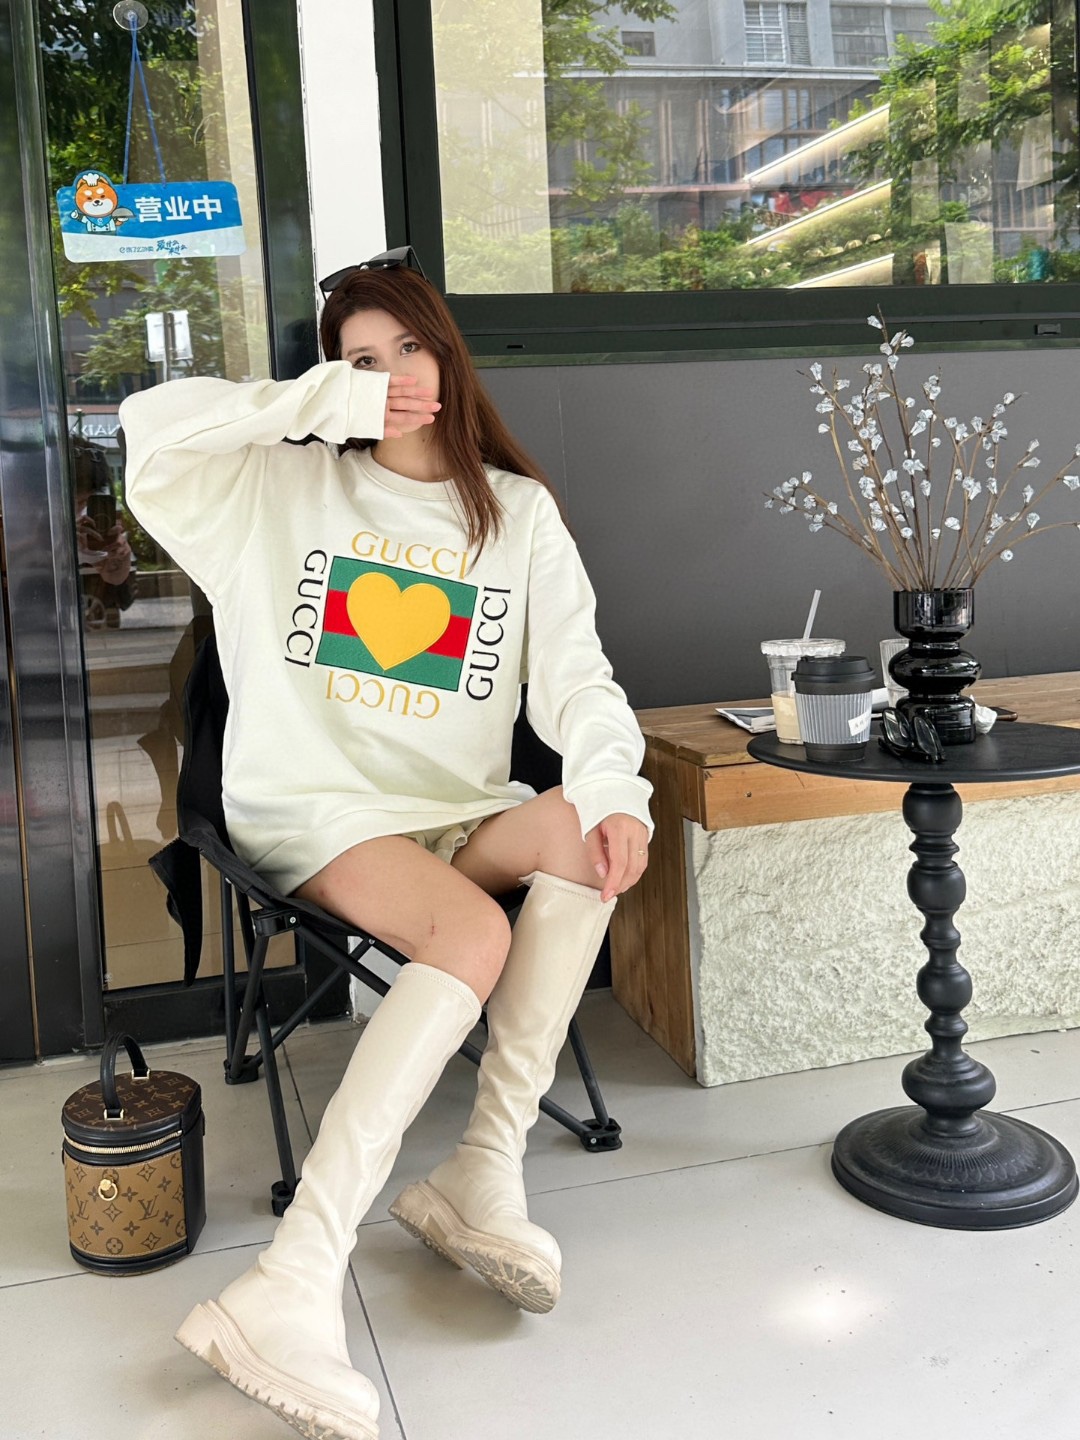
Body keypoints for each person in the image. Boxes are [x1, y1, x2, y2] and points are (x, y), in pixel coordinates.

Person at [118, 251, 653, 1440]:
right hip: (315, 807)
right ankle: (294, 1278)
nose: (396, 375)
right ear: (336, 378)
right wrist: (323, 403)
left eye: (410, 348)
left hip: (451, 809)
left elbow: (577, 677)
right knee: (471, 935)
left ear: (448, 355)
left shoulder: (514, 512)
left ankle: (481, 1172)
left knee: (586, 835)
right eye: (363, 359)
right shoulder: (275, 488)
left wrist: (615, 787)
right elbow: (146, 430)